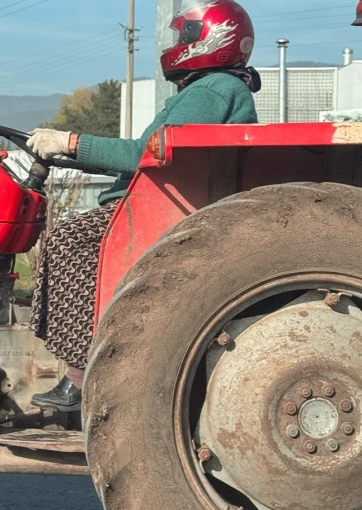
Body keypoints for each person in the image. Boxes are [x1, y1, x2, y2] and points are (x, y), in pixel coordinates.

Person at [28, 0, 261, 411]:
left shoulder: (213, 89)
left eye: (185, 35)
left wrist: (70, 142)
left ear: (213, 38)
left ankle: (80, 376)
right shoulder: (219, 88)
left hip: (154, 209)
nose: (177, 43)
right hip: (159, 201)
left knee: (71, 242)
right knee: (71, 239)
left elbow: (143, 154)